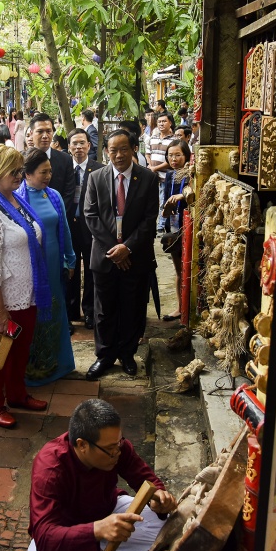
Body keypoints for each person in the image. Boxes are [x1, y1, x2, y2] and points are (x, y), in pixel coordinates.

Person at [27, 399, 177, 551]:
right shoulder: (50, 468)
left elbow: (143, 477)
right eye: (110, 449)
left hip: (108, 509)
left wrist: (158, 496)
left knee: (170, 528)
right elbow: (45, 538)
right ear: (82, 445)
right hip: (68, 530)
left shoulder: (116, 446)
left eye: (119, 443)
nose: (118, 452)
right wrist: (96, 530)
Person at [0, 145, 51, 428]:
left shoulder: (14, 199)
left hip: (25, 291)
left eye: (20, 170)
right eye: (12, 171)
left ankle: (17, 394)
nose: (19, 176)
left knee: (20, 348)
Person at [83, 129, 159, 380]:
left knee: (132, 307)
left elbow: (149, 220)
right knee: (104, 310)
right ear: (106, 152)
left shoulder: (147, 178)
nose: (118, 155)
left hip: (135, 257)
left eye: (123, 149)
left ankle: (127, 353)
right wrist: (114, 250)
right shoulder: (96, 178)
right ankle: (104, 356)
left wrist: (127, 247)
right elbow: (90, 215)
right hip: (104, 257)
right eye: (112, 150)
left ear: (134, 149)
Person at [18, 148, 75, 385]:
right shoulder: (17, 198)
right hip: (29, 267)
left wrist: (70, 258)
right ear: (27, 174)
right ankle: (34, 367)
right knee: (34, 312)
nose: (48, 176)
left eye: (50, 171)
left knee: (55, 309)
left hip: (53, 264)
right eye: (43, 172)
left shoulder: (53, 196)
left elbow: (64, 228)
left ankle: (58, 364)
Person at [66, 130, 101, 330]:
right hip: (70, 225)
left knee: (90, 267)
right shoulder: (63, 169)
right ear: (69, 147)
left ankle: (89, 311)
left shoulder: (98, 169)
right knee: (71, 267)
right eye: (74, 144)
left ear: (89, 145)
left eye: (82, 143)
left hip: (90, 226)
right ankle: (71, 311)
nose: (78, 147)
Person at [160, 140, 191, 322]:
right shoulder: (170, 176)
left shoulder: (191, 175)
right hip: (173, 228)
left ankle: (188, 308)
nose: (173, 159)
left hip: (188, 227)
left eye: (178, 155)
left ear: (186, 156)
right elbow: (165, 201)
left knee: (188, 269)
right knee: (178, 270)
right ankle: (180, 308)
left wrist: (183, 195)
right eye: (170, 155)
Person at [28, 113, 76, 215]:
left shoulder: (65, 159)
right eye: (40, 131)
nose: (45, 136)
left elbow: (69, 193)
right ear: (31, 133)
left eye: (49, 131)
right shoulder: (22, 159)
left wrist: (58, 214)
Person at [147, 113, 175, 233]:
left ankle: (160, 227)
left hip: (165, 176)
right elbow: (148, 153)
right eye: (159, 122)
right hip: (153, 176)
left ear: (170, 123)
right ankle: (153, 225)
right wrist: (150, 166)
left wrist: (155, 168)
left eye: (164, 121)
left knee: (163, 200)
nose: (161, 124)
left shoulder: (174, 141)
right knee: (152, 201)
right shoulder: (152, 138)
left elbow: (171, 161)